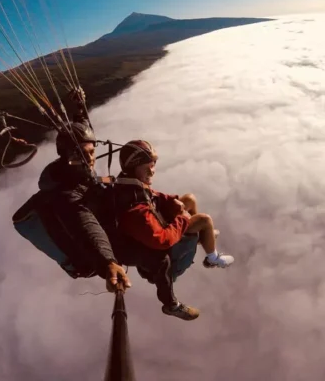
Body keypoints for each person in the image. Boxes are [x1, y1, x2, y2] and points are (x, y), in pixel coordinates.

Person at [12, 88, 131, 293]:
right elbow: (83, 223)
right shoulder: (65, 193)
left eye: (93, 152)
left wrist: (80, 106)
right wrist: (108, 263)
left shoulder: (74, 168)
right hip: (90, 253)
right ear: (69, 157)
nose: (91, 159)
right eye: (83, 156)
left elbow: (83, 129)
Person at [103, 140, 234, 321]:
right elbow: (161, 240)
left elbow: (153, 195)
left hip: (153, 229)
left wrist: (173, 201)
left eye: (153, 165)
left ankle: (203, 236)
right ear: (133, 168)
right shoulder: (135, 209)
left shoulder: (129, 182)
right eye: (146, 167)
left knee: (189, 199)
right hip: (163, 249)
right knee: (204, 220)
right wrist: (183, 219)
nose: (152, 171)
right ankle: (213, 258)